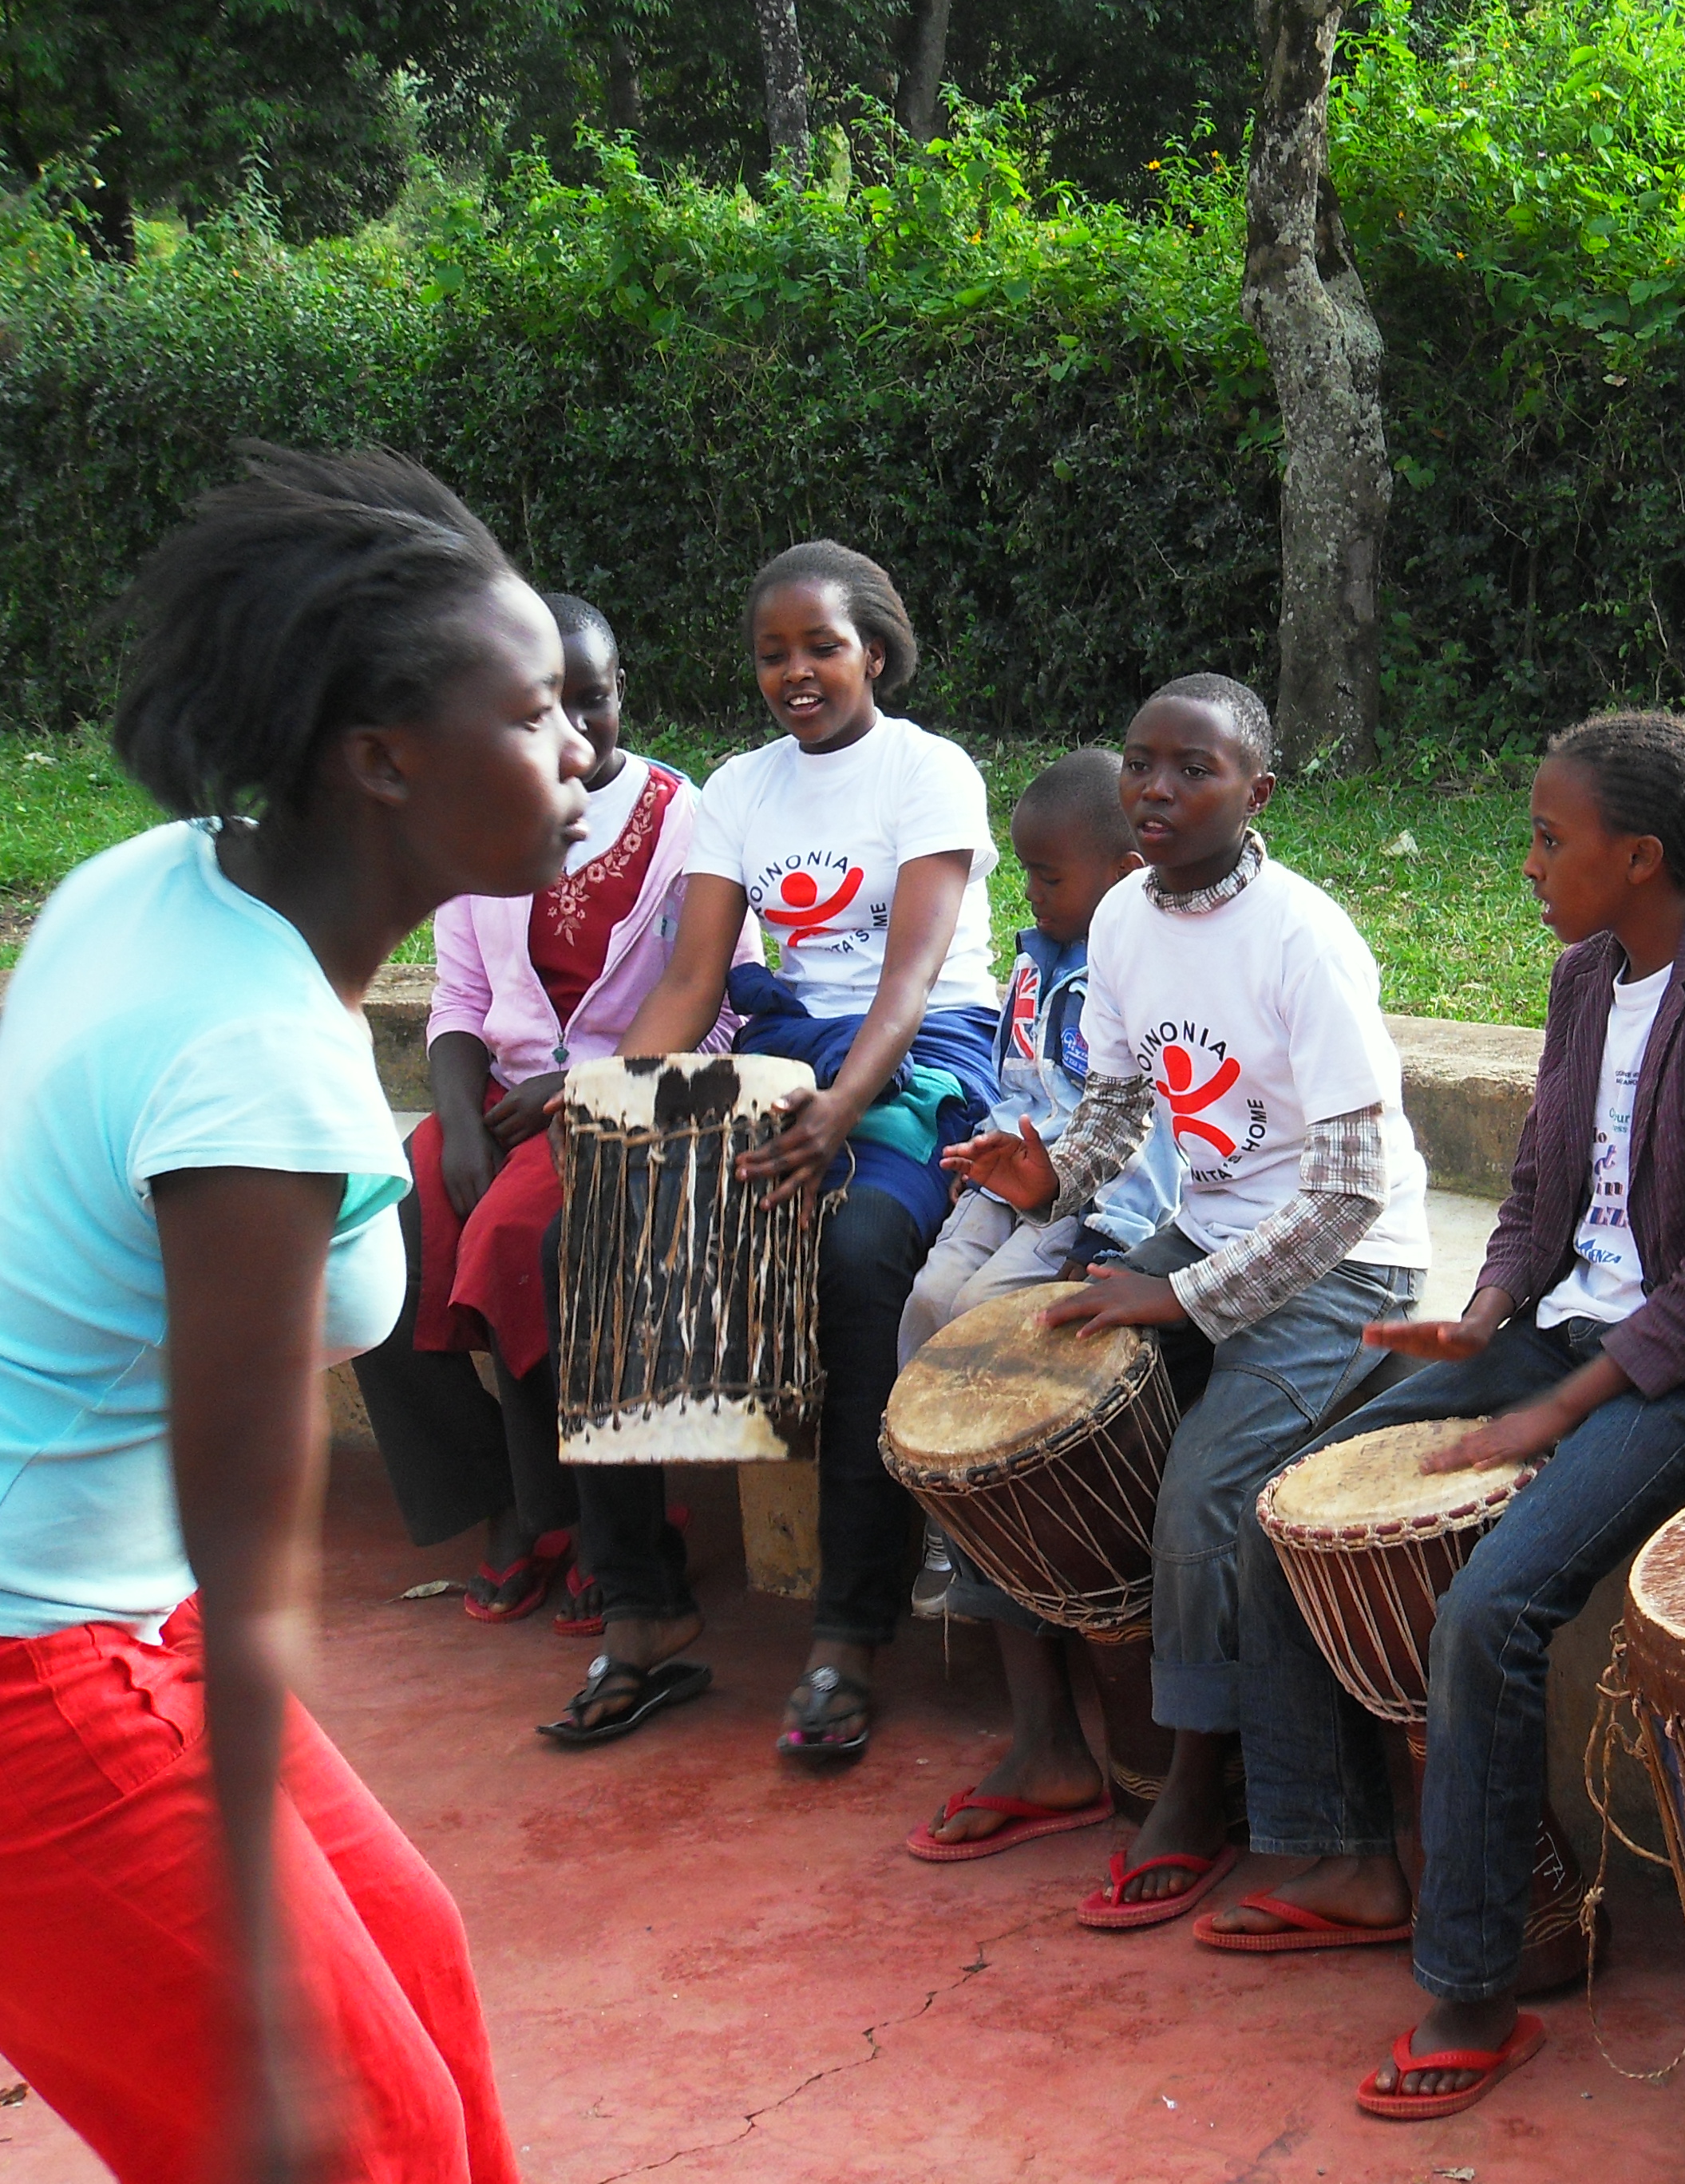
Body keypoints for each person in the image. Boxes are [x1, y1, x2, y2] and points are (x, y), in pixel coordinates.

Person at [0, 445, 577, 2182]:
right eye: (540, 712)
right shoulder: (255, 1067)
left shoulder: (149, 880)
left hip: (76, 1597)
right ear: (383, 761)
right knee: (353, 2137)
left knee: (421, 1987)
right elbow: (259, 1555)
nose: (584, 749)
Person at [1201, 710, 1685, 2121]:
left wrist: (1561, 1399)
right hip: (1561, 1333)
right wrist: (1488, 1313)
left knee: (1488, 1612)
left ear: (1639, 856)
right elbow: (1536, 1193)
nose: (1526, 863)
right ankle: (1336, 1852)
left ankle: (1475, 1984)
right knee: (1286, 1506)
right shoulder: (1582, 979)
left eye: (1549, 840)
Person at [943, 673, 1434, 1925]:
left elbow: (1349, 1193)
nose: (1156, 791)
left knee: (1208, 1490)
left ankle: (1196, 1787)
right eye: (1141, 764)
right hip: (1208, 1230)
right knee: (999, 1396)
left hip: (1343, 1265)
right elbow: (1118, 1103)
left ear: (1256, 792)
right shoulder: (1120, 921)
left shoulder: (1301, 939)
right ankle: (1047, 1738)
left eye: (1193, 770)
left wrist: (1181, 1302)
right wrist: (1050, 1174)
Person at [545, 540, 1003, 1755]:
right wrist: (613, 1108)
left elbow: (912, 974)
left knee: (857, 1256)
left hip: (913, 1063)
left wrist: (843, 1110)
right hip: (785, 1057)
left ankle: (849, 1635)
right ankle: (644, 1617)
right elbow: (696, 977)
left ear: (876, 652)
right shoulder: (737, 791)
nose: (796, 673)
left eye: (821, 648)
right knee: (588, 1240)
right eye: (772, 655)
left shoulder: (930, 771)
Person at [353, 592, 750, 1629]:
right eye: (543, 707)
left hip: (634, 1096)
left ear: (625, 695)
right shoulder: (473, 817)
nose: (574, 728)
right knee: (374, 1227)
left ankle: (581, 1517)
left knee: (523, 1242)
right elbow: (461, 1001)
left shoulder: (687, 821)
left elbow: (724, 1004)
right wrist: (457, 1119)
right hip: (499, 1095)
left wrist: (587, 1090)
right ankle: (501, 1504)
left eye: (597, 699)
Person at [893, 746, 1183, 1846]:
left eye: (1047, 876)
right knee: (928, 1304)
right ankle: (942, 1522)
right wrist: (987, 1152)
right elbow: (1027, 1088)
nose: (1030, 896)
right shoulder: (1033, 966)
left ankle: (973, 1540)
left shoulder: (1141, 969)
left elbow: (1144, 1135)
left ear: (1119, 872)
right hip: (1022, 1171)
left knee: (987, 1327)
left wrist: (1090, 1223)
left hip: (1091, 1203)